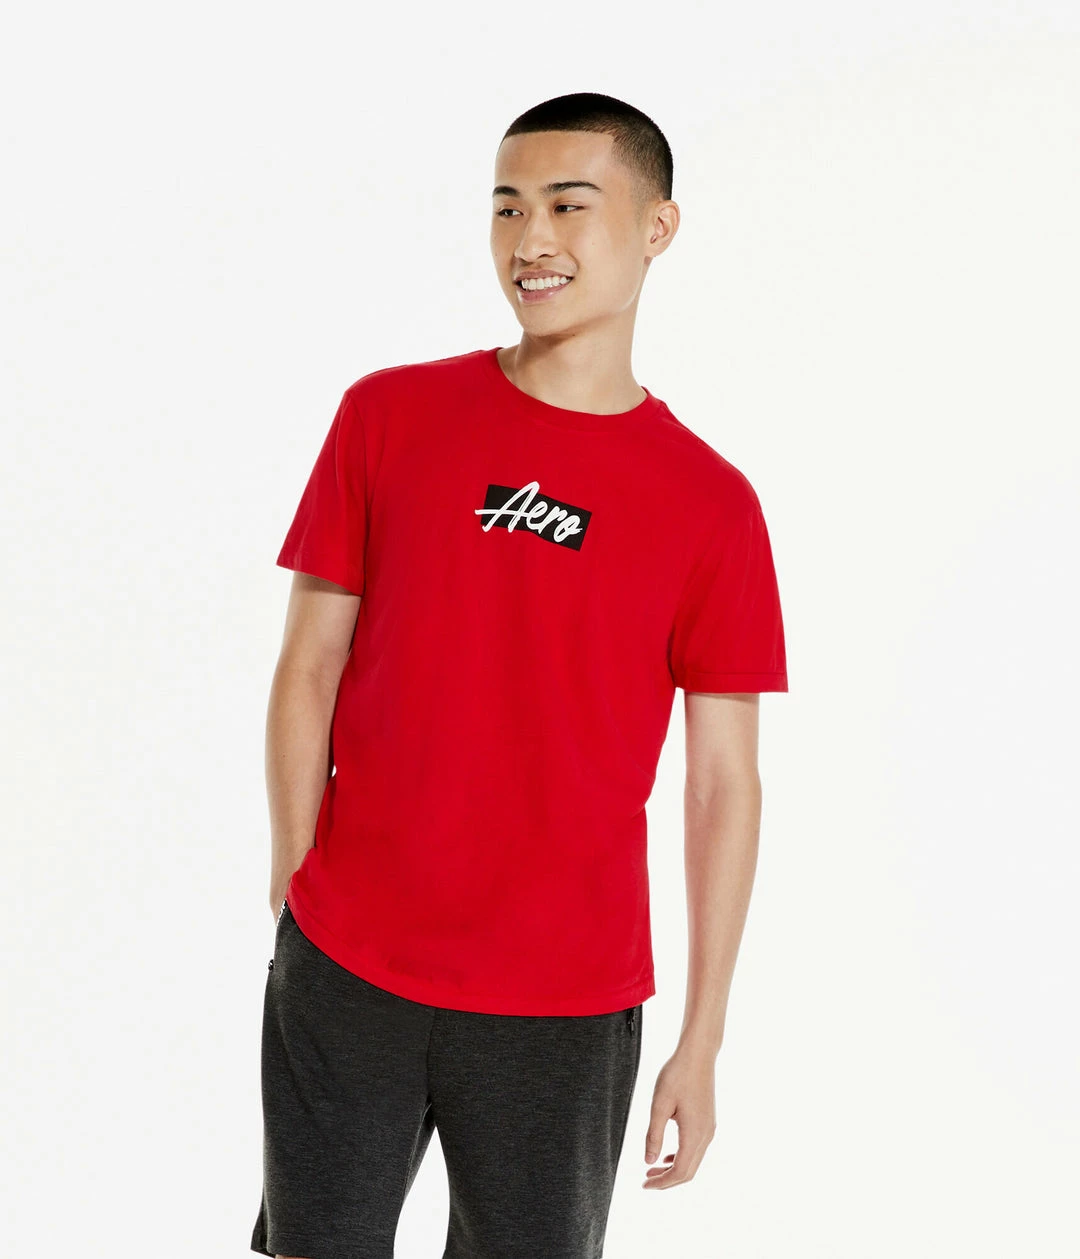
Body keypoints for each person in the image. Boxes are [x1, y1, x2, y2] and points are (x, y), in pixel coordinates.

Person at [250, 91, 789, 1259]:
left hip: (566, 995)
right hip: (350, 958)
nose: (530, 238)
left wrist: (702, 1033)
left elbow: (722, 783)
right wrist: (296, 888)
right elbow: (308, 666)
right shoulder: (387, 415)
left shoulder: (711, 503)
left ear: (656, 226)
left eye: (567, 205)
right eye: (507, 206)